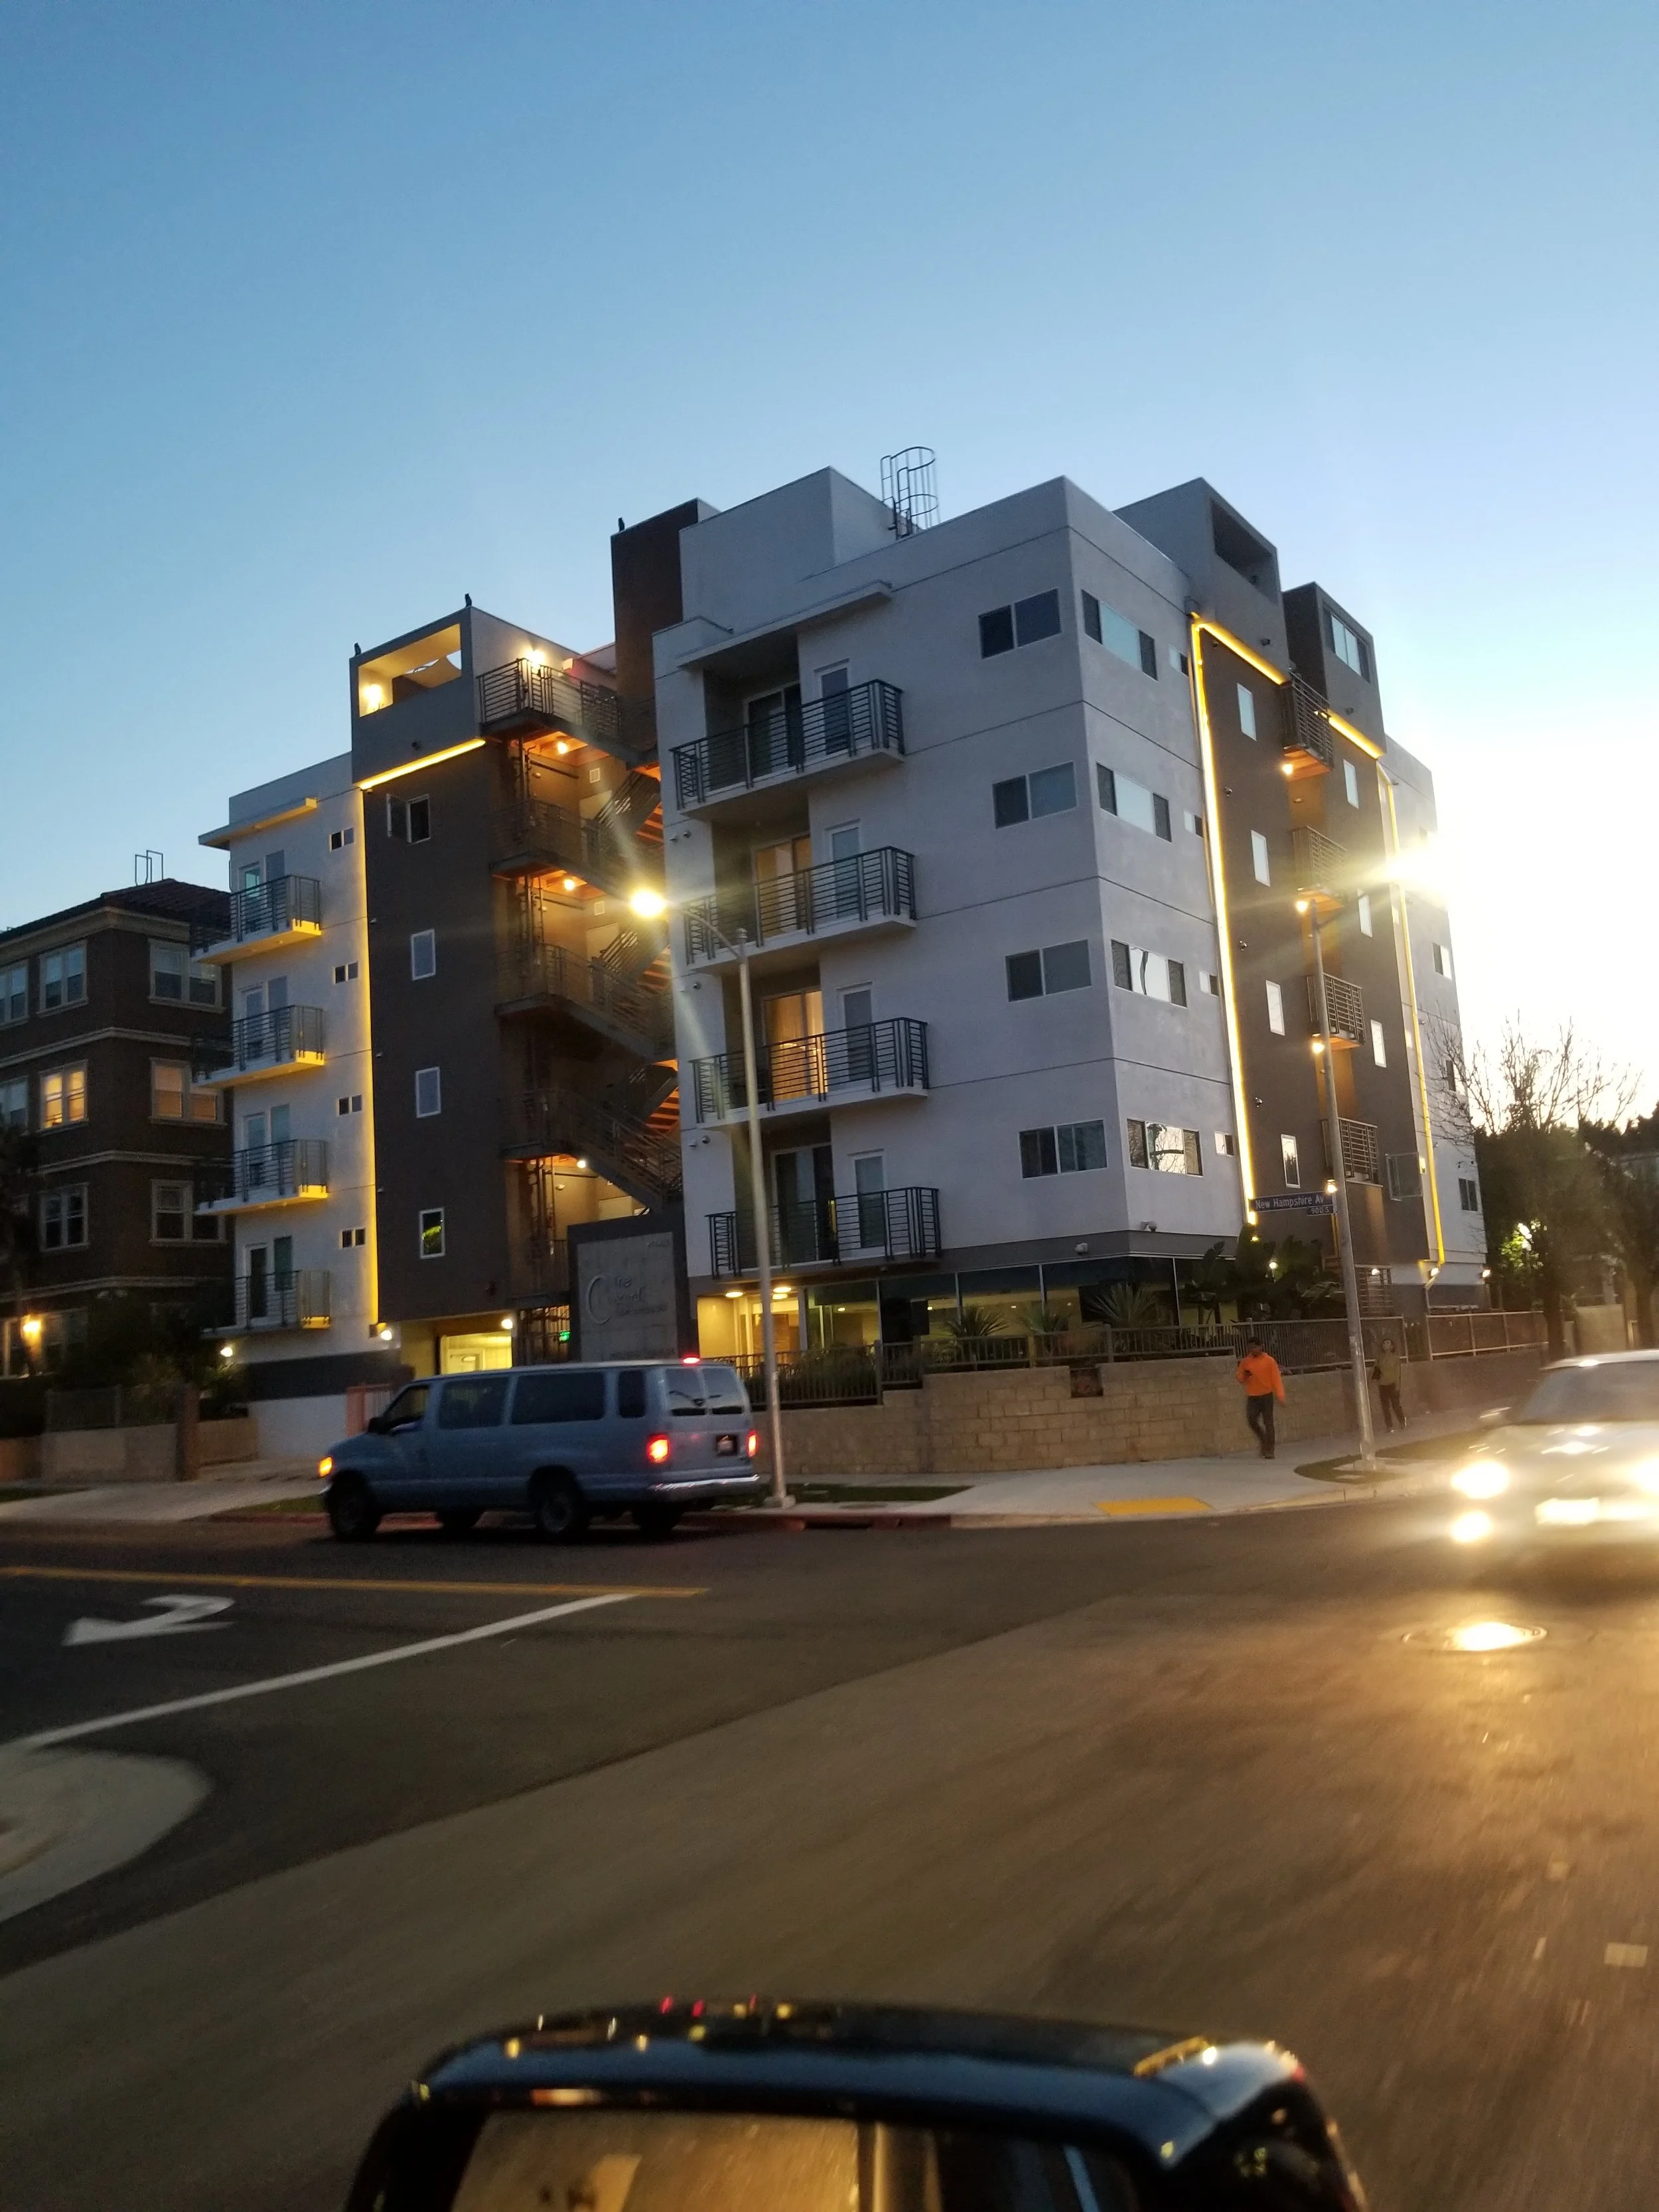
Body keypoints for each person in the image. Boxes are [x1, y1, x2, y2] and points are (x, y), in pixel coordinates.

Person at [1236, 1336, 1285, 1459]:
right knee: (1251, 1420)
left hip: (1266, 1395)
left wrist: (1280, 1395)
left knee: (1268, 1422)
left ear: (1260, 1347)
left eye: (1255, 1347)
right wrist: (1245, 1376)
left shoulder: (1269, 1361)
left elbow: (1276, 1379)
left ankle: (1270, 1450)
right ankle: (1264, 1440)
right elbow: (1239, 1378)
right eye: (1250, 1348)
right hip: (1253, 1397)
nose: (1252, 1350)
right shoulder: (1246, 1361)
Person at [1372, 1335, 1406, 1433]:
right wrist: (1372, 1381)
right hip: (1382, 1385)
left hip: (1392, 1384)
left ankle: (1402, 1421)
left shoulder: (1395, 1358)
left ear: (1392, 1346)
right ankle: (1389, 1426)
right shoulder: (1380, 1357)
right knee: (1385, 1407)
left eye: (1388, 1343)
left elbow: (1398, 1373)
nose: (1385, 1345)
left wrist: (1397, 1386)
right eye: (1384, 1343)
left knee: (1396, 1405)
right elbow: (1376, 1369)